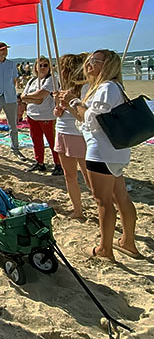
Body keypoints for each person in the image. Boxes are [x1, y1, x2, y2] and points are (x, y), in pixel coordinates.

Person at [60, 50, 140, 260]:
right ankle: (128, 242)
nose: (88, 64)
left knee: (103, 201)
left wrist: (74, 102)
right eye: (88, 60)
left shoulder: (106, 88)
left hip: (102, 151)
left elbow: (92, 121)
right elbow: (85, 121)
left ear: (108, 65)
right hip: (115, 151)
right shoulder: (113, 87)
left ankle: (105, 249)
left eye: (95, 61)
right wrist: (71, 105)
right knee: (120, 197)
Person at [53, 53, 90, 218]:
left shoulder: (85, 88)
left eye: (62, 68)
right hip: (62, 131)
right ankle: (78, 210)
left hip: (77, 134)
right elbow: (58, 114)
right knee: (69, 175)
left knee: (89, 177)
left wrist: (68, 105)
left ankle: (102, 205)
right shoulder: (63, 87)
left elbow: (83, 117)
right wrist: (58, 108)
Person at [0, 42, 26, 161]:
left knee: (13, 124)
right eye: (2, 50)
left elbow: (14, 80)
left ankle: (15, 148)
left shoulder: (11, 64)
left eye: (5, 50)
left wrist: (13, 93)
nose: (4, 52)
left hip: (10, 97)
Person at [21, 56, 62, 175]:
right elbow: (23, 96)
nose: (43, 68)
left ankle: (58, 164)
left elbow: (42, 94)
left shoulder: (52, 80)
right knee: (36, 140)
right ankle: (40, 162)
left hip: (47, 116)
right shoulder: (32, 81)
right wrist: (32, 98)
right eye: (40, 65)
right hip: (32, 115)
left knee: (52, 141)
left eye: (45, 65)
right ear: (36, 67)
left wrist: (30, 97)